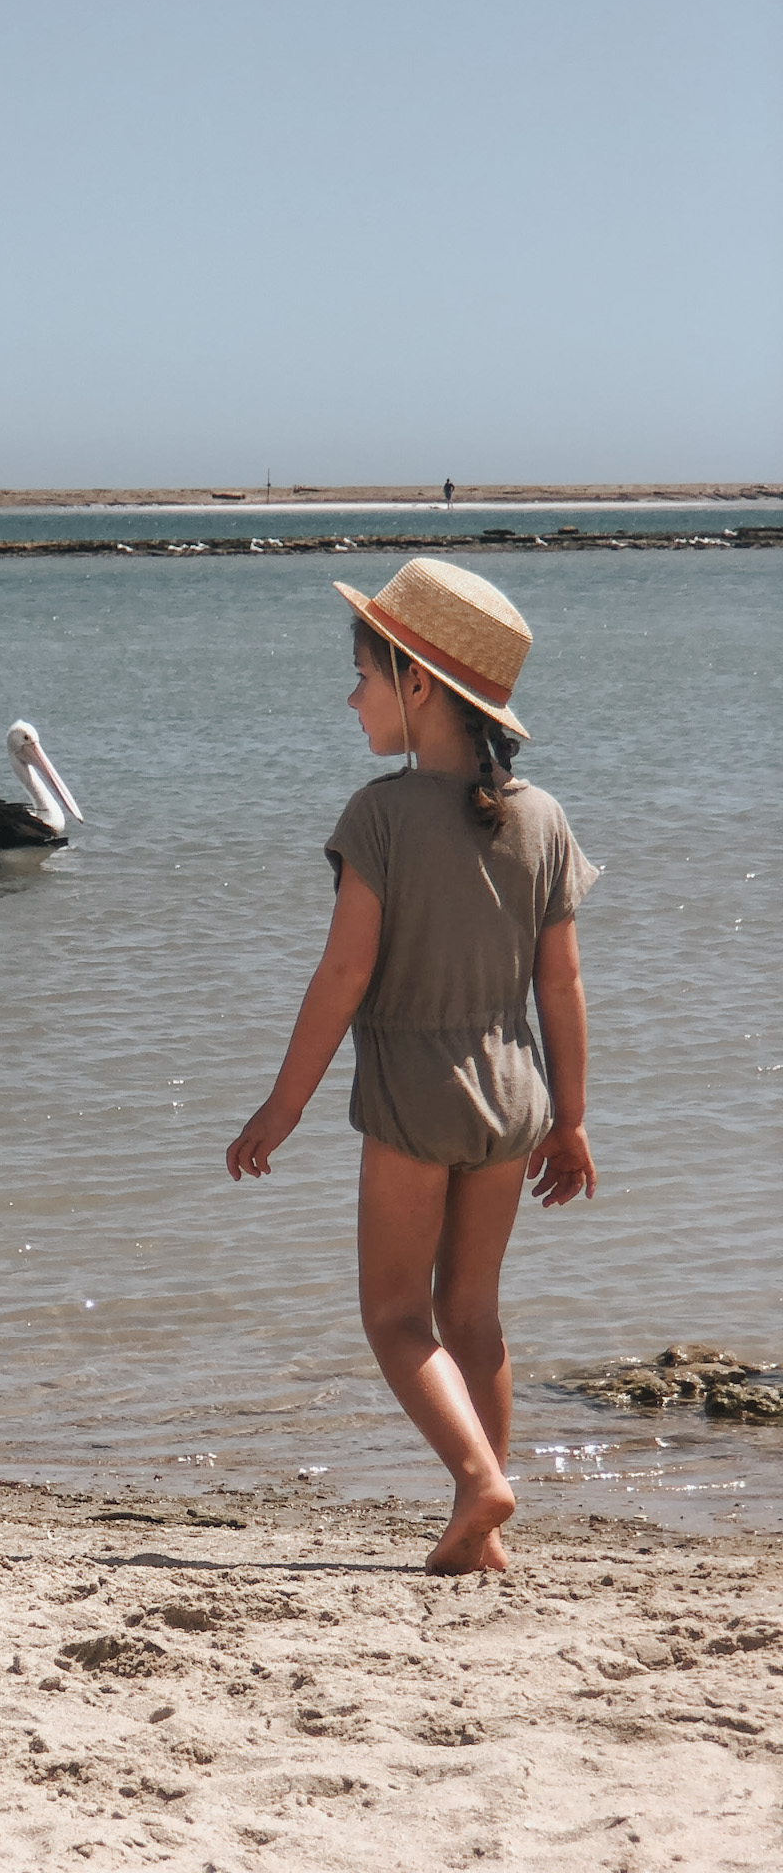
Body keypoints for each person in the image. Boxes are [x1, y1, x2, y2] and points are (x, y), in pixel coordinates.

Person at [225, 559, 596, 1576]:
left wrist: (283, 1103)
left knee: (395, 1313)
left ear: (419, 685)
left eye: (362, 675)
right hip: (514, 1090)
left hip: (415, 1096)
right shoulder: (545, 817)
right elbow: (560, 987)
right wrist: (571, 1118)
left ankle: (479, 1481)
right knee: (473, 1312)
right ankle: (484, 1535)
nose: (351, 698)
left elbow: (345, 972)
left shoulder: (381, 818)